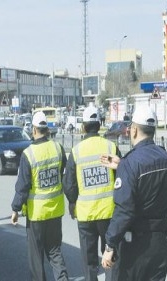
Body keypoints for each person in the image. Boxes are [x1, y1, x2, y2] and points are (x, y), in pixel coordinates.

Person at [101, 106, 167, 281]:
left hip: (136, 247)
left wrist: (109, 246)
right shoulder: (165, 158)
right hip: (160, 242)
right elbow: (147, 177)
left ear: (133, 130)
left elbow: (124, 210)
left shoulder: (130, 163)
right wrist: (123, 165)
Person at [63, 105, 121, 281]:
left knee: (89, 263)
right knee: (110, 257)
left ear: (83, 126)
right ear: (99, 124)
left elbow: (69, 184)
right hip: (109, 213)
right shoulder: (111, 147)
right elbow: (121, 177)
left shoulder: (76, 151)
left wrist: (72, 203)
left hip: (86, 216)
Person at [11, 111, 69, 281]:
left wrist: (15, 209)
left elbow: (23, 186)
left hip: (36, 215)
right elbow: (63, 175)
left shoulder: (29, 154)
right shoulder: (58, 148)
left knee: (36, 258)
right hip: (55, 211)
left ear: (34, 130)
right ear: (47, 129)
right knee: (55, 252)